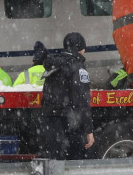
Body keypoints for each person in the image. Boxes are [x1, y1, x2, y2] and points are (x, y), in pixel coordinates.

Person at [39, 32, 94, 160]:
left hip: (50, 125)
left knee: (54, 163)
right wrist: (89, 130)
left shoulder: (53, 65)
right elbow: (82, 101)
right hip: (70, 124)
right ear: (81, 48)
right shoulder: (78, 68)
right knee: (73, 165)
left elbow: (45, 97)